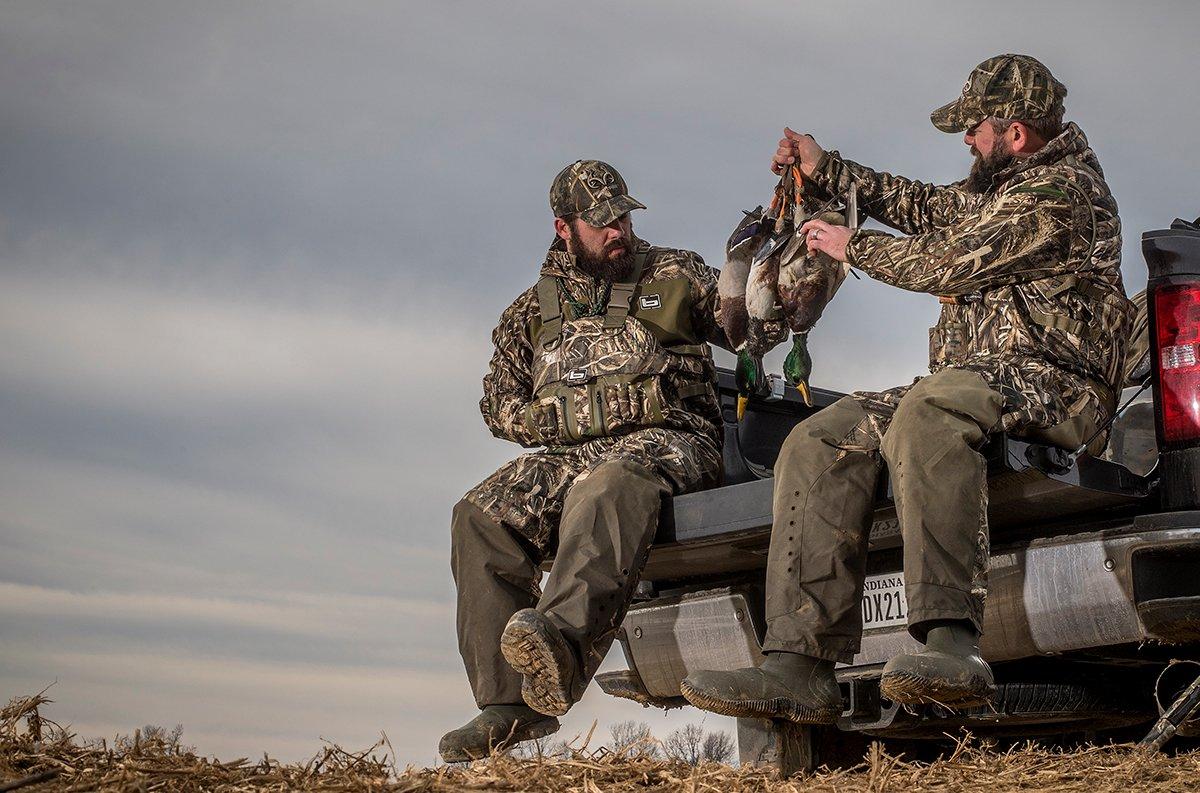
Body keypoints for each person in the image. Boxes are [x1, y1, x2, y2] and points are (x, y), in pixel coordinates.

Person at [680, 54, 1135, 724]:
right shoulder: (995, 192)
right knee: (821, 435)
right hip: (982, 382)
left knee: (932, 406)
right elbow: (918, 203)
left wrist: (849, 247)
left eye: (974, 127)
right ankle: (798, 663)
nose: (966, 140)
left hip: (1058, 386)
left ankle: (952, 643)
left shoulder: (1061, 195)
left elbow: (945, 259)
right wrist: (822, 165)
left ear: (1015, 133)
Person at [440, 160, 733, 761]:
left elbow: (747, 326)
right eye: (600, 223)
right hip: (572, 454)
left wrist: (774, 285)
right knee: (477, 517)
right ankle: (507, 707)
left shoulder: (676, 273)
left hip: (671, 439)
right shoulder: (531, 313)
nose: (616, 231)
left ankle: (561, 647)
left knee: (606, 484)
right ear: (563, 227)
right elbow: (498, 403)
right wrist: (548, 421)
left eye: (622, 217)